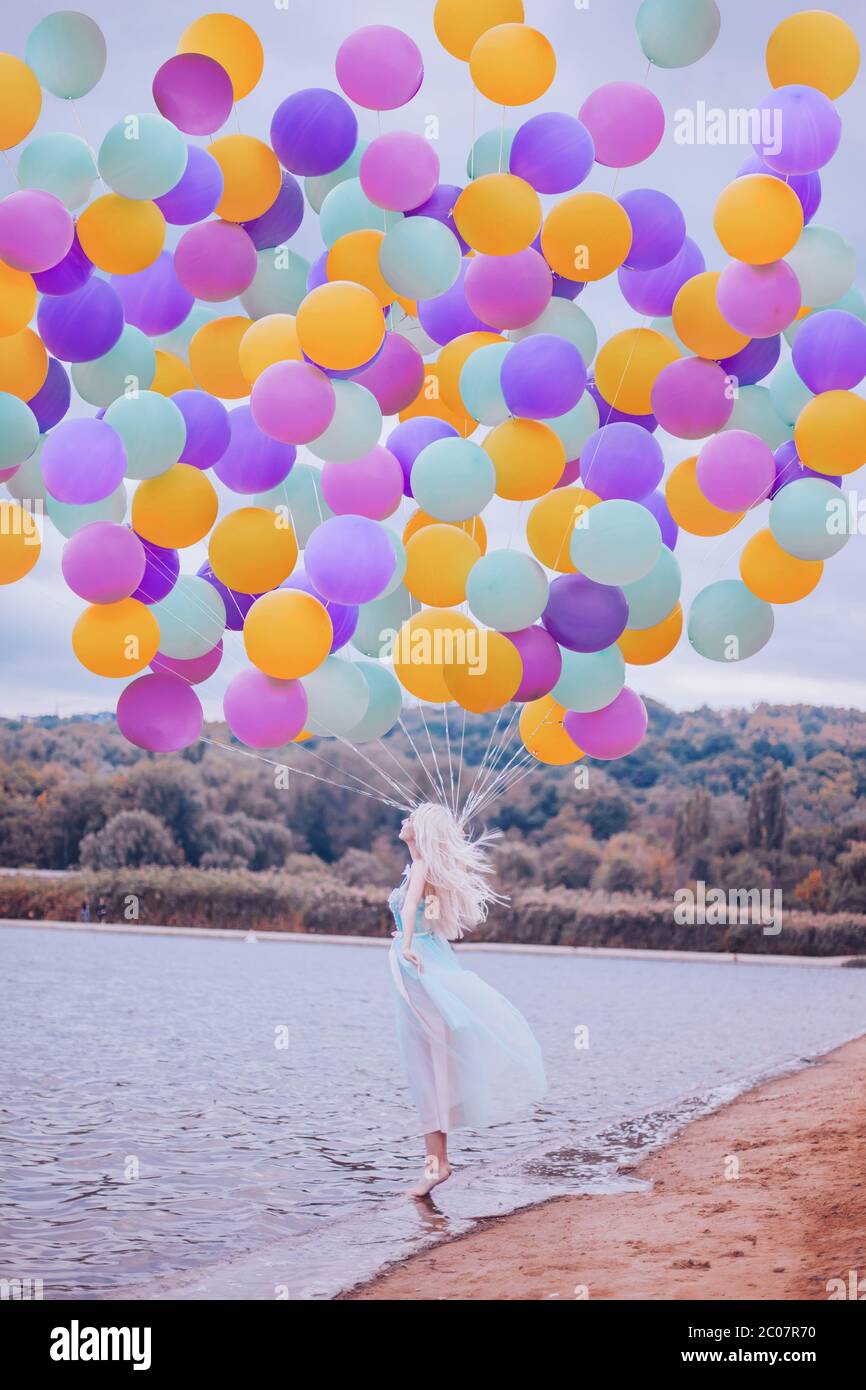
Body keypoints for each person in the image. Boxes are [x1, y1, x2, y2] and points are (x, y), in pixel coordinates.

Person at [389, 802, 547, 1198]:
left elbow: (410, 908)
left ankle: (437, 1165)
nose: (403, 819)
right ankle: (437, 1163)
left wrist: (406, 945)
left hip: (418, 965)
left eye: (411, 816)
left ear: (421, 831)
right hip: (425, 963)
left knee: (425, 1065)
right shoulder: (422, 866)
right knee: (429, 1063)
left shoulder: (423, 866)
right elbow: (418, 907)